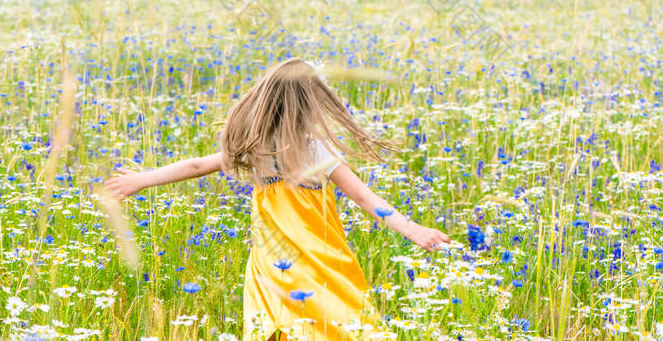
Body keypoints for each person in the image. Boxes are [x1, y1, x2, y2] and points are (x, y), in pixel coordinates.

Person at [104, 57, 451, 340]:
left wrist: (142, 180)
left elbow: (196, 165)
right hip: (319, 253)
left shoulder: (256, 146)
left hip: (272, 256)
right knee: (336, 320)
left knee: (273, 320)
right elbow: (363, 197)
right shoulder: (315, 148)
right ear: (310, 104)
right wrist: (411, 229)